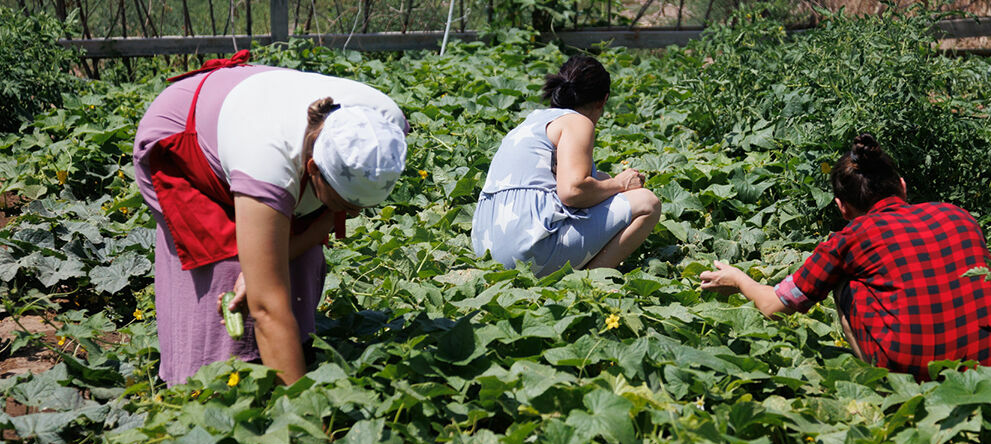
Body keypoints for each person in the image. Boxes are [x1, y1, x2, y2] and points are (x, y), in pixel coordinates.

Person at [132, 51, 409, 385]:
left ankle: (293, 356)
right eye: (339, 201)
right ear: (312, 169)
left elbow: (327, 217)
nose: (349, 213)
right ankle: (204, 386)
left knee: (297, 263)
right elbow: (265, 309)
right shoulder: (267, 161)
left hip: (245, 115)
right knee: (227, 272)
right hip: (183, 139)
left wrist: (266, 267)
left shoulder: (383, 135)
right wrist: (303, 415)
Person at [699, 133, 991, 380]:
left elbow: (774, 306)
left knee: (844, 284)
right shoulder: (958, 214)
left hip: (916, 370)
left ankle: (885, 386)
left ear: (842, 208)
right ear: (902, 186)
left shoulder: (849, 238)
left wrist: (739, 279)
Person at [471, 55, 661, 277]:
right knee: (648, 203)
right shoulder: (578, 121)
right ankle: (590, 280)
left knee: (601, 178)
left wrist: (605, 180)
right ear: (603, 100)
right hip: (527, 251)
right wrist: (619, 183)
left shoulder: (533, 121)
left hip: (486, 250)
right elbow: (572, 192)